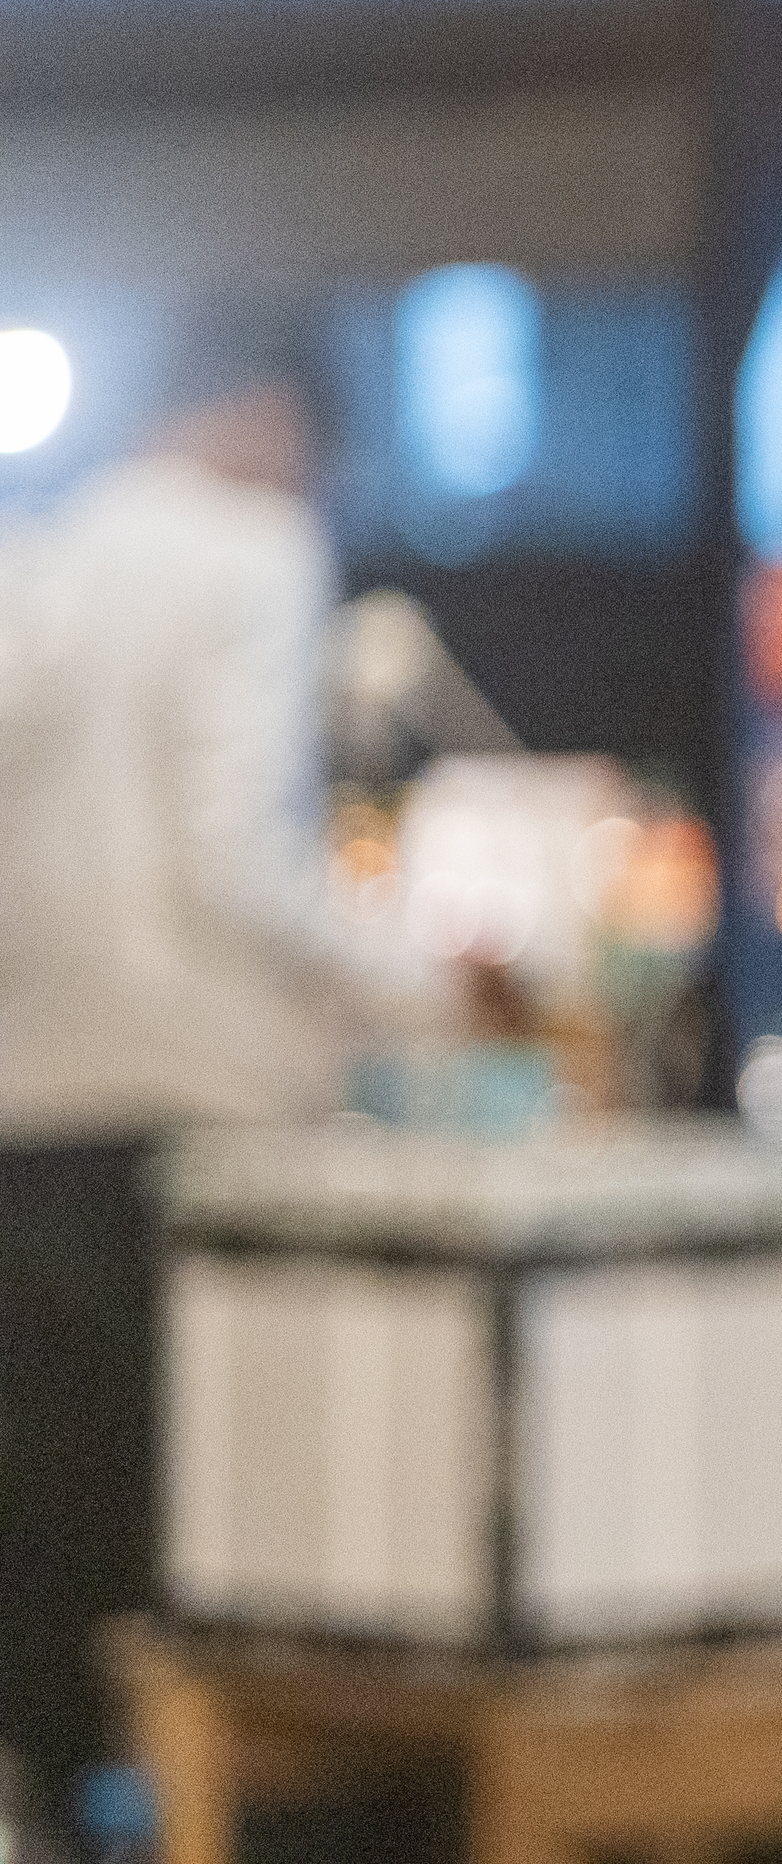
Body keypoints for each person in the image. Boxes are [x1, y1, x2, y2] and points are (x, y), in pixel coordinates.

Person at [0, 310, 431, 1822]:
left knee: (48, 1508)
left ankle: (56, 1801)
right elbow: (236, 852)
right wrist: (421, 981)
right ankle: (219, 1818)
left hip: (26, 1102)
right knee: (210, 1525)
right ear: (268, 420)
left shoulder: (40, 550)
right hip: (195, 1102)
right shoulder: (250, 553)